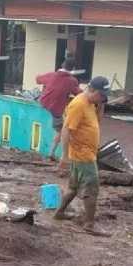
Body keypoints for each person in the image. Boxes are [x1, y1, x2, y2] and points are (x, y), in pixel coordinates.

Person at [54, 76, 110, 233]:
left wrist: (101, 105)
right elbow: (66, 130)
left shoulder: (91, 103)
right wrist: (64, 156)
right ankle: (89, 224)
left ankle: (60, 212)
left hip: (85, 153)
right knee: (92, 188)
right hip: (83, 155)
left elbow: (97, 123)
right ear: (91, 90)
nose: (103, 98)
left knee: (74, 187)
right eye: (101, 95)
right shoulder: (79, 104)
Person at [36, 58, 81, 160]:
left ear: (62, 64)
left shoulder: (51, 75)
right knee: (62, 131)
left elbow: (37, 79)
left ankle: (52, 154)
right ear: (72, 69)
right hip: (56, 110)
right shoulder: (72, 81)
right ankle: (52, 153)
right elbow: (78, 93)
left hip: (42, 103)